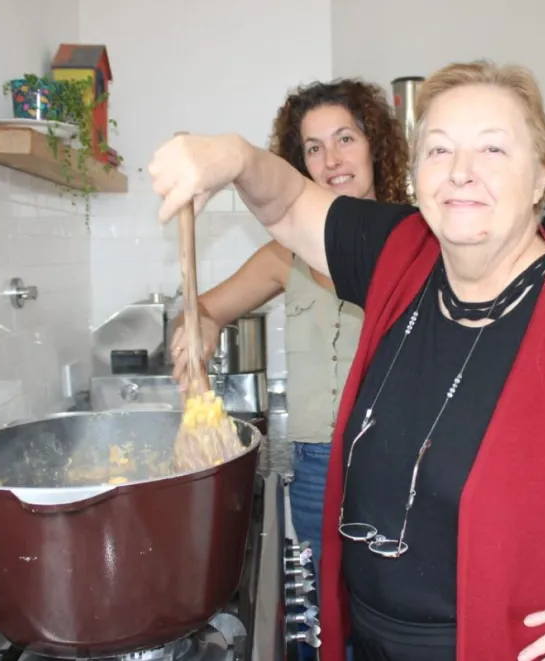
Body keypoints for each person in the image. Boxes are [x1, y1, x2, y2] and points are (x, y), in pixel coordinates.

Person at [149, 60, 545, 661]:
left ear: (542, 176)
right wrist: (234, 155)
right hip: (368, 637)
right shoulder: (399, 251)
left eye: (492, 149)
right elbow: (284, 207)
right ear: (415, 175)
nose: (462, 172)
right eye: (439, 150)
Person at [167, 79, 410, 581]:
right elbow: (203, 310)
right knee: (327, 614)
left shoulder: (413, 239)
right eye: (314, 148)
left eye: (346, 139)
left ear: (375, 147)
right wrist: (198, 336)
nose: (332, 160)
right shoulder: (285, 256)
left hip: (400, 465)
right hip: (318, 468)